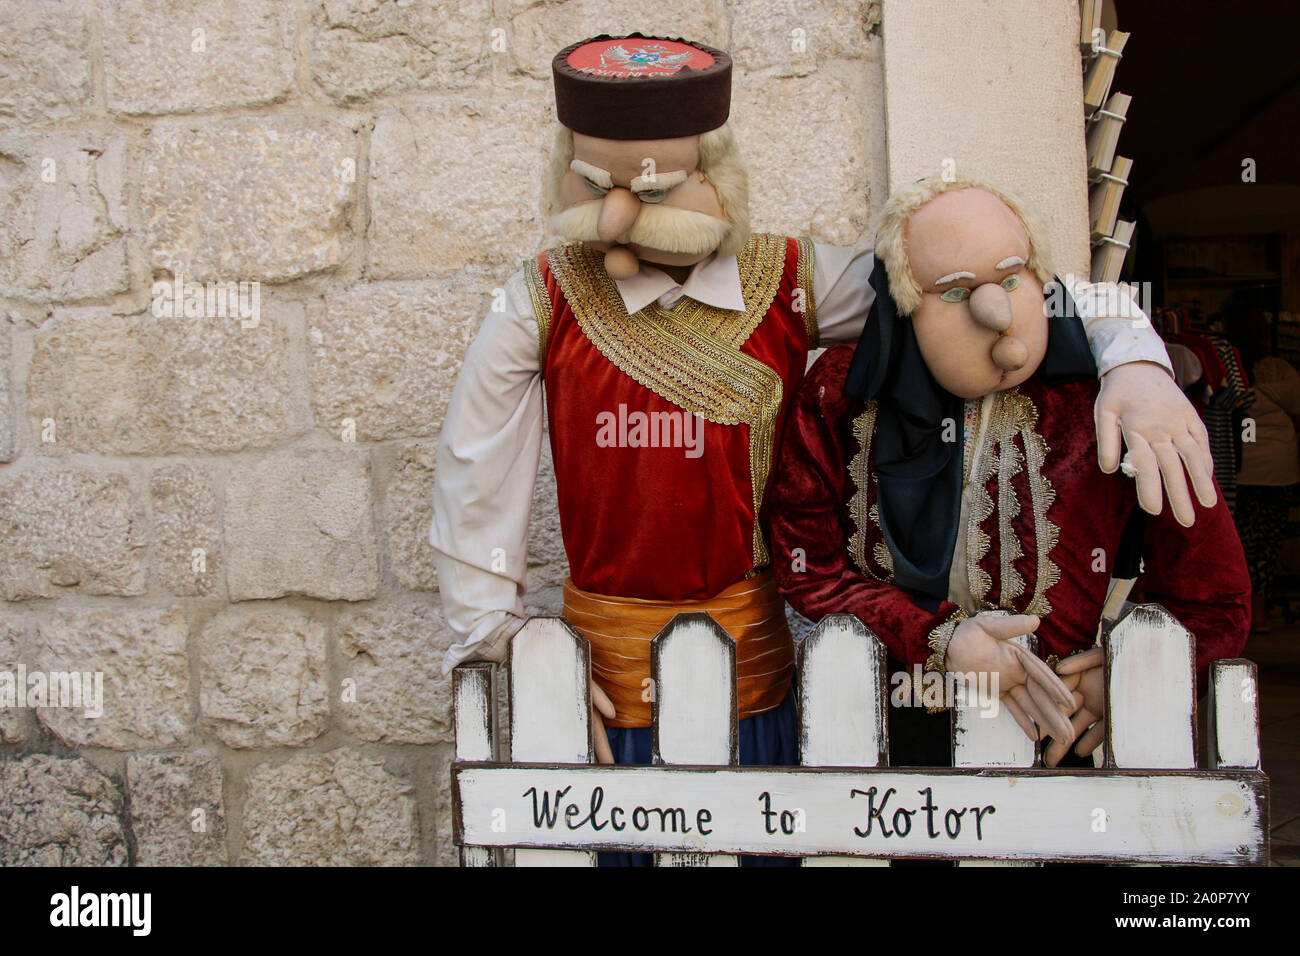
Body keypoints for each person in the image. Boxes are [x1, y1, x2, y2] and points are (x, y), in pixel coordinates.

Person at [430, 35, 1217, 864]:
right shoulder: (542, 297)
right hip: (599, 671)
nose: (618, 216)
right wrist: (498, 631)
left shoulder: (794, 280)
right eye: (596, 188)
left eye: (650, 187)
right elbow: (475, 463)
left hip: (753, 673)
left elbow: (978, 282)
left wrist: (1133, 360)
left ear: (714, 175)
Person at [766, 175, 1250, 769]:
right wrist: (940, 641)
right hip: (885, 725)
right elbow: (809, 569)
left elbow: (1215, 598)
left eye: (1012, 275)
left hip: (1063, 719)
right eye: (951, 291)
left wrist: (1124, 675)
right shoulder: (843, 393)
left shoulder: (1112, 398)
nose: (994, 311)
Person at [1235, 355, 1300, 631]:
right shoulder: (1289, 394)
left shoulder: (1241, 393)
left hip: (1243, 475)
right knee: (1266, 546)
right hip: (1277, 476)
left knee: (1242, 544)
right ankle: (1259, 614)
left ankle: (1243, 612)